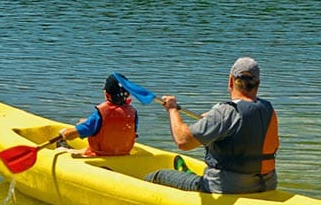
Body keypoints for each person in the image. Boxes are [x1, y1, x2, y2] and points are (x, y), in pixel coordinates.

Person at [145, 57, 278, 193]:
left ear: (231, 81)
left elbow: (183, 141)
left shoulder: (226, 113)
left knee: (158, 176)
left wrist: (172, 109)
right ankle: (188, 174)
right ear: (258, 84)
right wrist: (211, 118)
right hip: (267, 184)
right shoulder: (268, 109)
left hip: (228, 188)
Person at [60, 74, 138, 156]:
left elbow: (70, 135)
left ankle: (62, 148)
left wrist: (64, 133)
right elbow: (113, 126)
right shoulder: (132, 114)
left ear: (107, 95)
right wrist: (87, 122)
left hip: (99, 155)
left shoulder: (100, 115)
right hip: (122, 154)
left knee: (61, 147)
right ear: (128, 95)